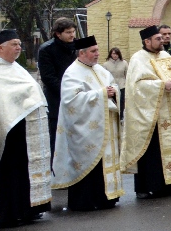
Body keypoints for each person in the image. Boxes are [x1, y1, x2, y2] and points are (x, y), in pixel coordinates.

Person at [52, 36, 123, 211]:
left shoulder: (101, 70)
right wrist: (100, 94)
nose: (97, 54)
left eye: (97, 50)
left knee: (104, 165)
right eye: (93, 51)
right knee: (89, 166)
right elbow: (71, 101)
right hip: (85, 131)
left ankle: (107, 198)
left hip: (104, 125)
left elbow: (112, 86)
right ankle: (86, 201)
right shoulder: (72, 73)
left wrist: (114, 92)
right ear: (81, 53)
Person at [0, 29, 52, 230]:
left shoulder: (17, 68)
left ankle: (26, 210)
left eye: (19, 44)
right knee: (8, 174)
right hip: (6, 130)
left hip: (26, 131)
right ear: (0, 48)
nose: (19, 47)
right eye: (14, 44)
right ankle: (9, 214)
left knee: (23, 172)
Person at [122, 25, 171, 199]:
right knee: (152, 152)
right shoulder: (138, 59)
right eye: (158, 38)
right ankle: (150, 186)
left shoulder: (166, 56)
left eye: (162, 38)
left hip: (170, 111)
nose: (162, 41)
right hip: (151, 115)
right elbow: (137, 86)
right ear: (147, 41)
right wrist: (161, 85)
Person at [37, 17, 78, 153]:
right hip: (57, 100)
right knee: (57, 141)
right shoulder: (46, 49)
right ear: (58, 34)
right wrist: (70, 91)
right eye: (68, 32)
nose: (72, 35)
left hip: (79, 100)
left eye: (73, 31)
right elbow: (48, 78)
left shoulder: (79, 46)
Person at [103, 47, 128, 113]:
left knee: (121, 102)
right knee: (113, 102)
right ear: (110, 54)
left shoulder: (124, 63)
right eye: (113, 53)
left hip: (122, 85)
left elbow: (127, 75)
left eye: (117, 54)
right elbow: (104, 77)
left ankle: (121, 116)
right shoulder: (106, 64)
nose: (115, 55)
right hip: (111, 86)